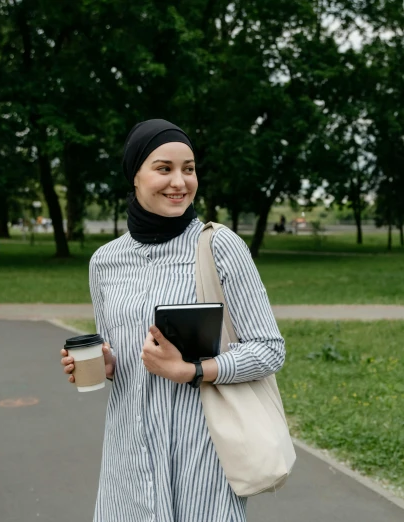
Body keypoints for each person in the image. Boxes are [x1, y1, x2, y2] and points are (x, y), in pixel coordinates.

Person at [59, 119, 285, 522]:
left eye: (189, 168)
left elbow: (269, 349)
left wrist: (192, 371)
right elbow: (120, 351)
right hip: (129, 451)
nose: (179, 182)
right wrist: (107, 364)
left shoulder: (219, 246)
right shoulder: (105, 262)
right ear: (136, 176)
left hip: (202, 449)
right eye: (164, 168)